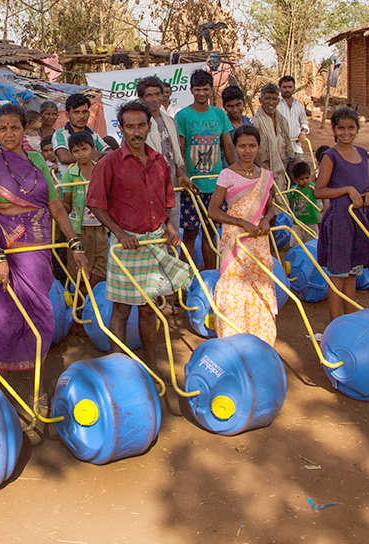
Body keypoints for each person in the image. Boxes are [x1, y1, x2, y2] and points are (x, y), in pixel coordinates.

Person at [0, 103, 86, 373]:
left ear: (25, 129)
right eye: (3, 128)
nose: (9, 133)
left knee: (41, 314)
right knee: (7, 318)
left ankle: (37, 375)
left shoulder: (36, 159)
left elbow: (56, 206)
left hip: (38, 251)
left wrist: (74, 243)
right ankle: (13, 385)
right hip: (7, 251)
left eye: (15, 127)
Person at [86, 100, 193, 371]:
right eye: (129, 126)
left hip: (155, 242)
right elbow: (96, 205)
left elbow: (165, 201)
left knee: (149, 308)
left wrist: (169, 228)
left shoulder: (159, 162)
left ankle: (152, 366)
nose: (136, 131)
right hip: (126, 246)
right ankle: (119, 368)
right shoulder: (108, 163)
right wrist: (120, 233)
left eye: (141, 125)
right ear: (120, 129)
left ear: (149, 127)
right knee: (121, 310)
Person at [207, 125, 278, 343]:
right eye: (242, 146)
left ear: (259, 147)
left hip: (258, 238)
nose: (247, 151)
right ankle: (233, 338)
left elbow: (272, 206)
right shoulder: (227, 175)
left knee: (260, 284)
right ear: (235, 148)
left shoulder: (266, 175)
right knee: (233, 286)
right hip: (234, 239)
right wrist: (240, 222)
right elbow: (213, 210)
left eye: (252, 146)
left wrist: (266, 219)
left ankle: (261, 338)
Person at [313, 108, 369, 321]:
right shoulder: (330, 157)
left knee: (352, 272)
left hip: (361, 220)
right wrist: (347, 190)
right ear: (333, 129)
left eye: (351, 128)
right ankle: (335, 323)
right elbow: (319, 191)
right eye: (341, 128)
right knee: (338, 274)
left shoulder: (362, 153)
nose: (346, 132)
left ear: (357, 129)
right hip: (340, 221)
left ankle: (349, 320)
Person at [176, 68, 234, 268]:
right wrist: (183, 177)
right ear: (191, 90)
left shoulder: (219, 115)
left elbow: (228, 147)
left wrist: (236, 175)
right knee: (190, 233)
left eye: (205, 89)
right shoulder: (183, 116)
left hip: (217, 185)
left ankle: (210, 272)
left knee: (211, 232)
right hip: (193, 186)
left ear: (211, 91)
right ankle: (188, 277)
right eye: (197, 89)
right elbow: (180, 150)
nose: (201, 93)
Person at [60, 131, 108, 287]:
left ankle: (93, 304)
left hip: (101, 228)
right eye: (76, 151)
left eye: (84, 149)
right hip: (79, 229)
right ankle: (80, 308)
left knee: (101, 269)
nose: (81, 154)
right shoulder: (69, 175)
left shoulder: (101, 170)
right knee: (79, 271)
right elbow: (68, 204)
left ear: (93, 149)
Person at [251, 83, 292, 188]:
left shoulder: (282, 121)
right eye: (267, 99)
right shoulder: (256, 122)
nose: (271, 102)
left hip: (280, 172)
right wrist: (262, 166)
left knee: (282, 202)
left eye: (274, 99)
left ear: (278, 101)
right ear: (260, 100)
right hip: (261, 172)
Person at [52, 93, 108, 165]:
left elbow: (111, 153)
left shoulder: (93, 134)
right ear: (67, 115)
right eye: (76, 112)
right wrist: (92, 155)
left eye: (85, 112)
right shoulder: (61, 134)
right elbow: (64, 157)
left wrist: (100, 153)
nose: (81, 116)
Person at [286, 161, 321, 241]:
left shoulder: (312, 188)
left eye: (307, 178)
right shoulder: (294, 190)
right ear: (295, 179)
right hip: (298, 220)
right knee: (296, 241)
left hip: (312, 219)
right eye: (301, 179)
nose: (305, 181)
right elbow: (285, 198)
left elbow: (322, 195)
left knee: (313, 240)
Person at [278, 75, 311, 156]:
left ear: (294, 88)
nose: (287, 89)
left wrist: (303, 133)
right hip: (280, 149)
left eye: (290, 87)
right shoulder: (275, 105)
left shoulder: (298, 106)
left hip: (296, 148)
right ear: (280, 89)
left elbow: (304, 124)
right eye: (284, 87)